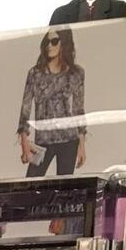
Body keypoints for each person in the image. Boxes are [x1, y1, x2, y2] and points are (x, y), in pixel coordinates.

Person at [17, 29, 87, 177]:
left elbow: (78, 110)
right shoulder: (35, 74)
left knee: (64, 188)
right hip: (43, 141)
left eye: (54, 41)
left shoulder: (76, 73)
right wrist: (24, 143)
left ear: (64, 43)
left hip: (69, 140)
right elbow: (25, 109)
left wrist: (82, 146)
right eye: (47, 42)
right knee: (31, 184)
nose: (49, 45)